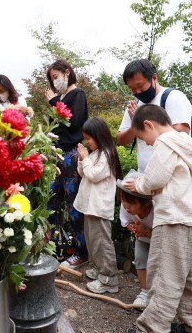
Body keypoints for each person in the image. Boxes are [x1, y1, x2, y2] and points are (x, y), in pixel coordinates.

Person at [124, 104, 192, 333]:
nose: (147, 143)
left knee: (164, 278)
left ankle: (151, 328)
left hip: (175, 219)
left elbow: (154, 179)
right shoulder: (185, 142)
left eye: (143, 137)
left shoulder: (165, 142)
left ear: (149, 125)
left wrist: (139, 184)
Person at [45, 59, 89, 268]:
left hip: (71, 154)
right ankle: (51, 247)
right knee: (51, 201)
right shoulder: (60, 97)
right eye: (52, 79)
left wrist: (54, 102)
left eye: (56, 76)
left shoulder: (77, 94)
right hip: (56, 154)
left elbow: (74, 121)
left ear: (67, 72)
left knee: (73, 204)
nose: (55, 81)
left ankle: (82, 251)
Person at [73, 117, 123, 294]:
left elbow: (93, 175)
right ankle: (99, 269)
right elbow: (83, 173)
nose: (87, 142)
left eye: (89, 138)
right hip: (90, 207)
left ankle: (109, 279)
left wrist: (86, 159)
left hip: (99, 208)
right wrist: (82, 159)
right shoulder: (95, 153)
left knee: (102, 243)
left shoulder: (107, 154)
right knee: (93, 241)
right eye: (85, 138)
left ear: (99, 135)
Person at [117, 59, 192, 172]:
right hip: (145, 175)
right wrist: (135, 125)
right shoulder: (135, 106)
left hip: (173, 174)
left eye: (140, 85)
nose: (137, 92)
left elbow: (180, 134)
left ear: (154, 78)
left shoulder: (174, 97)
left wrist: (141, 123)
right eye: (132, 88)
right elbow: (121, 140)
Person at [119, 186, 153, 306]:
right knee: (140, 261)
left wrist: (145, 232)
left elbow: (164, 234)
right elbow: (126, 222)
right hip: (142, 238)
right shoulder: (125, 207)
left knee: (157, 266)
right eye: (123, 201)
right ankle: (145, 291)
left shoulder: (156, 210)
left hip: (159, 241)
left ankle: (157, 295)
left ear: (146, 203)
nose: (126, 206)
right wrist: (134, 228)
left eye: (131, 203)